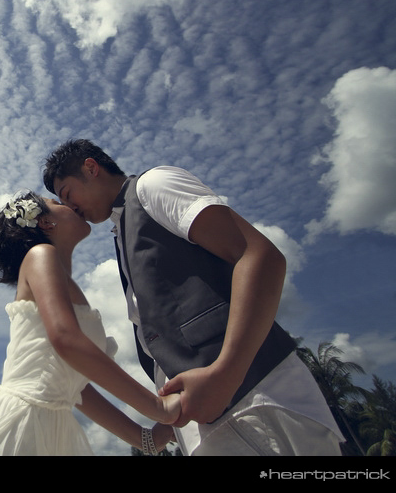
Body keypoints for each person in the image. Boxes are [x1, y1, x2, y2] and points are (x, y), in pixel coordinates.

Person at [43, 139, 344, 456]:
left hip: (253, 400)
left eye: (66, 194)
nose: (70, 206)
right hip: (207, 422)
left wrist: (226, 374)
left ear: (91, 168)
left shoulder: (152, 185)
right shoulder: (121, 230)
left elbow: (258, 256)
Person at [0, 191, 180, 455]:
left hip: (47, 425)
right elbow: (66, 339)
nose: (69, 204)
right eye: (57, 203)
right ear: (46, 224)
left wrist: (144, 439)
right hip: (20, 421)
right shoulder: (41, 254)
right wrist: (157, 407)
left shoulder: (59, 277)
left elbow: (75, 388)